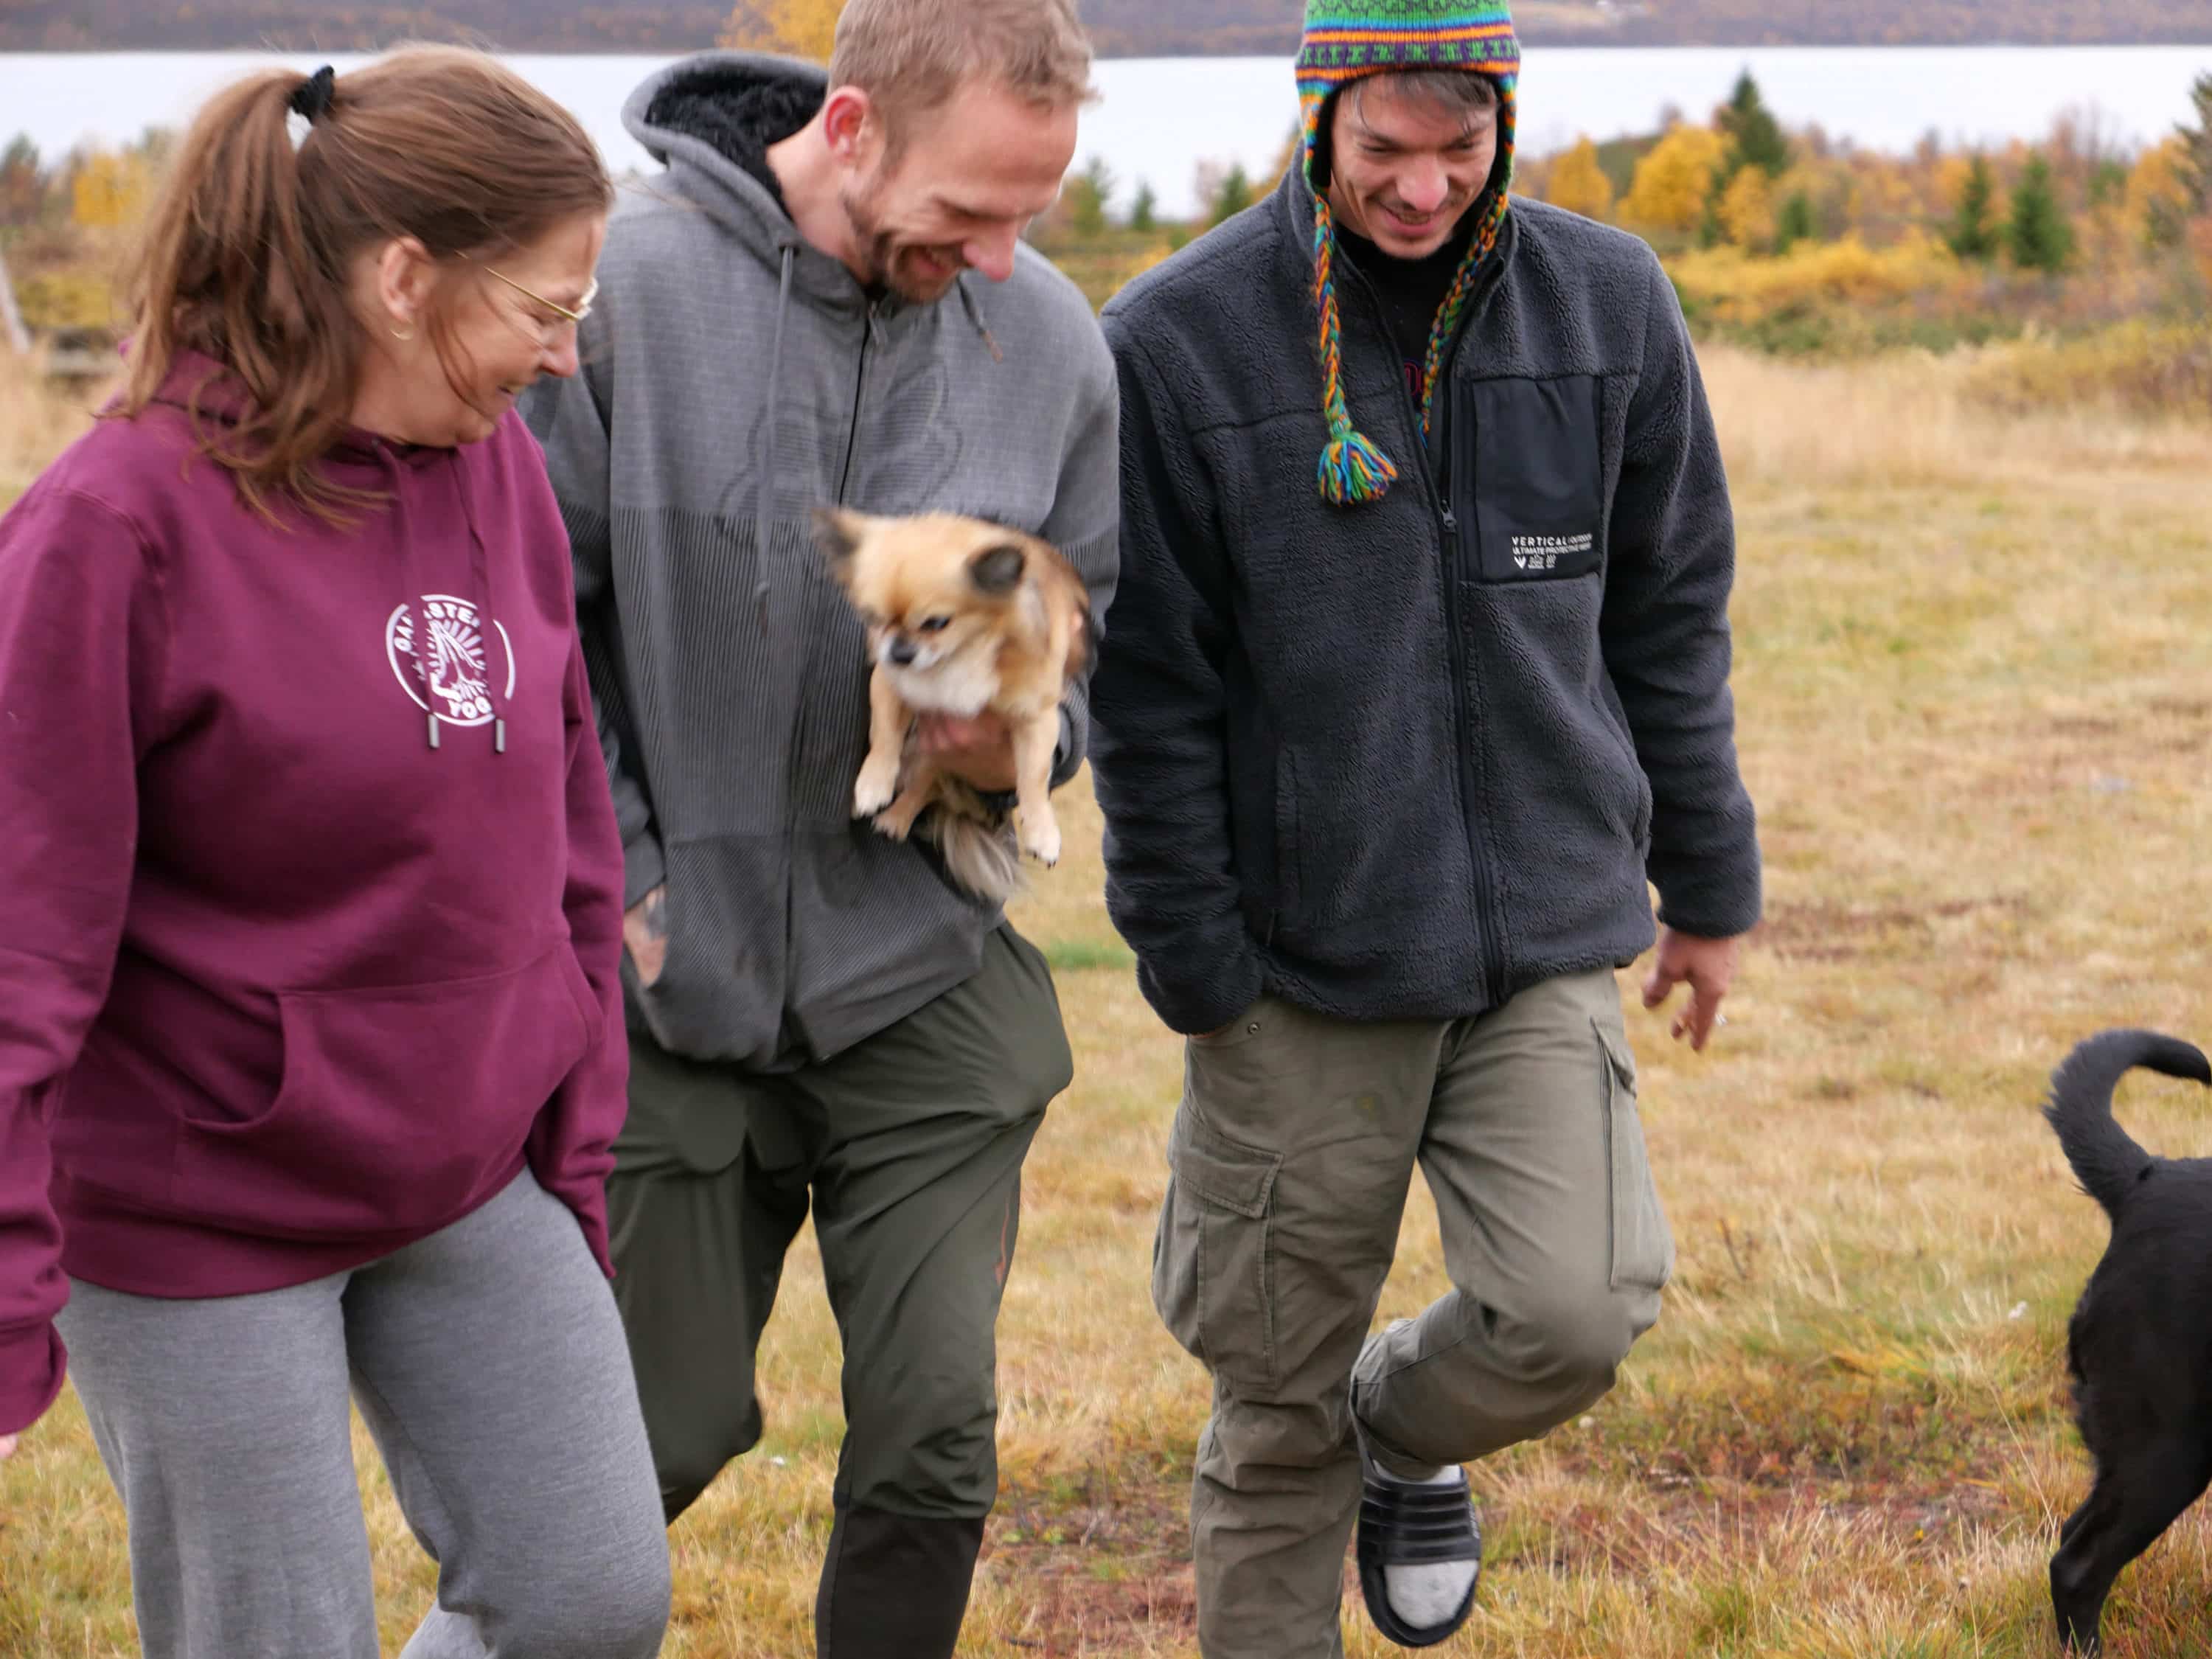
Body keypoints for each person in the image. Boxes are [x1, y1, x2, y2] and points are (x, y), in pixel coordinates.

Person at [1089, 2, 1763, 1654]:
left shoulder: (1610, 304)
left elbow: (1669, 623)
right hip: (1299, 963)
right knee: (1269, 1399)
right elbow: (1150, 690)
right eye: (1385, 150)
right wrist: (1197, 961)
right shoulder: (1176, 342)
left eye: (1460, 150)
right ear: (1318, 118)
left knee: (1575, 1314)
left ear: (1507, 125)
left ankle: (1400, 1435)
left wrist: (1710, 884)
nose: (1421, 187)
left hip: (1541, 931)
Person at [0, 52, 670, 1659]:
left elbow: (560, 807)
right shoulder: (116, 527)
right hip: (196, 1200)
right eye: (543, 308)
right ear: (400, 279)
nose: (567, 359)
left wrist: (570, 1125)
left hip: (462, 1163)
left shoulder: (494, 464)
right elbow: (21, 943)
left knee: (589, 1598)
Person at [519, 1, 1117, 1652]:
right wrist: (631, 896)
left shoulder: (1055, 343)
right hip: (659, 989)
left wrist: (1015, 758)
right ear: (849, 129)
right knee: (641, 1446)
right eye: (974, 212)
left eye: (1034, 217)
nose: (1004, 262)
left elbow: (1095, 638)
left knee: (936, 1437)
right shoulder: (615, 298)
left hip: (921, 974)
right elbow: (528, 639)